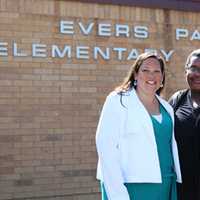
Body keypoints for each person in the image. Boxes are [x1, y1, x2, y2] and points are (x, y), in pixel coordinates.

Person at [96, 51, 182, 200]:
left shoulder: (166, 107)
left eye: (157, 71)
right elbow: (106, 148)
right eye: (145, 70)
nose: (151, 76)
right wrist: (117, 194)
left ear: (162, 78)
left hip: (165, 184)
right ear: (135, 74)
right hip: (131, 186)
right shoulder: (118, 100)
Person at [169, 49, 200, 200]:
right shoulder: (177, 100)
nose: (198, 74)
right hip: (183, 189)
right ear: (186, 70)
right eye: (194, 68)